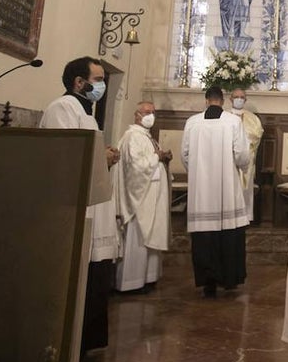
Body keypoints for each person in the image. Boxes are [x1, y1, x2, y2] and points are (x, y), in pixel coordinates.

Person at [39, 55, 119, 353]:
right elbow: (64, 158)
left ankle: (84, 342)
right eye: (98, 80)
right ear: (79, 82)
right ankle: (71, 346)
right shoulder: (62, 108)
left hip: (93, 206)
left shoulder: (85, 112)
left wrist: (103, 155)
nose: (101, 85)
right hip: (76, 207)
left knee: (94, 277)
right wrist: (102, 157)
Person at [182, 86, 250, 298]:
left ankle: (208, 283)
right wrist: (239, 167)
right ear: (223, 101)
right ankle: (229, 279)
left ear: (206, 100)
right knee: (228, 233)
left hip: (201, 191)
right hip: (227, 187)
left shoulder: (192, 122)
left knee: (204, 236)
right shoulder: (233, 122)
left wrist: (197, 172)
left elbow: (185, 155)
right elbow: (242, 155)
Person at [113, 101, 171, 293]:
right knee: (138, 238)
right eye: (147, 112)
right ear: (137, 115)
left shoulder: (147, 137)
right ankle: (132, 282)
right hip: (140, 197)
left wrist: (164, 159)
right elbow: (135, 167)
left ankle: (148, 277)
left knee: (151, 235)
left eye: (153, 112)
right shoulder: (132, 137)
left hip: (151, 195)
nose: (151, 115)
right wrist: (157, 157)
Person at [228, 88, 264, 221]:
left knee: (245, 188)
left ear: (245, 100)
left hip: (246, 157)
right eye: (236, 97)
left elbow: (256, 135)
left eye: (242, 97)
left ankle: (245, 217)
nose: (239, 99)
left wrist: (242, 142)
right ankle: (229, 215)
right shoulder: (224, 116)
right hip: (227, 157)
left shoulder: (252, 118)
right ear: (230, 99)